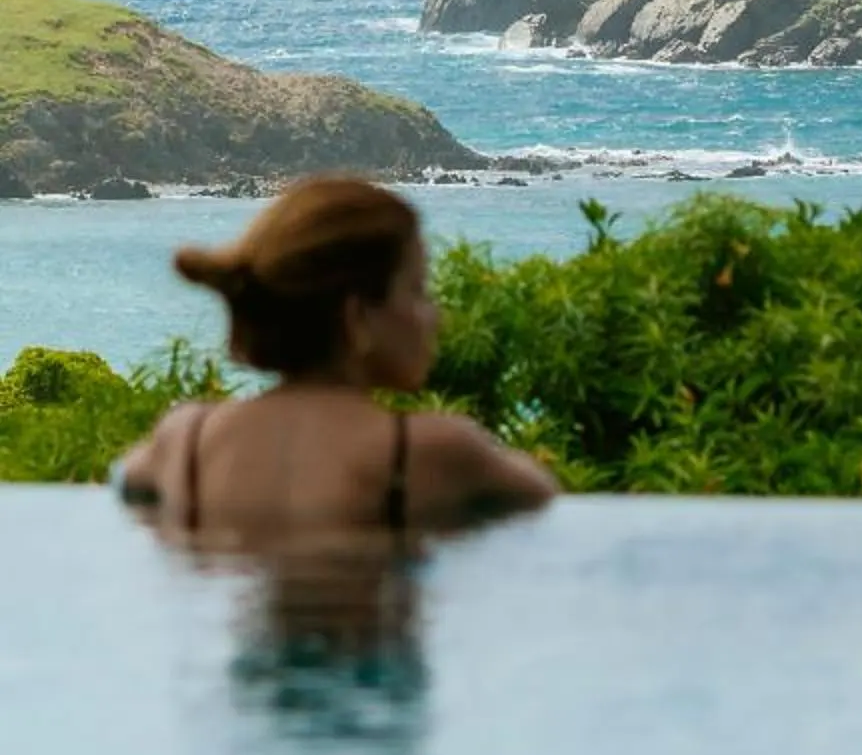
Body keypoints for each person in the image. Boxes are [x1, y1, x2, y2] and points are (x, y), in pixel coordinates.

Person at [119, 174, 554, 541]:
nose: (435, 317)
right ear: (356, 315)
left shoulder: (186, 440)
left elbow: (128, 479)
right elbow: (544, 500)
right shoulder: (428, 452)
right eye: (417, 291)